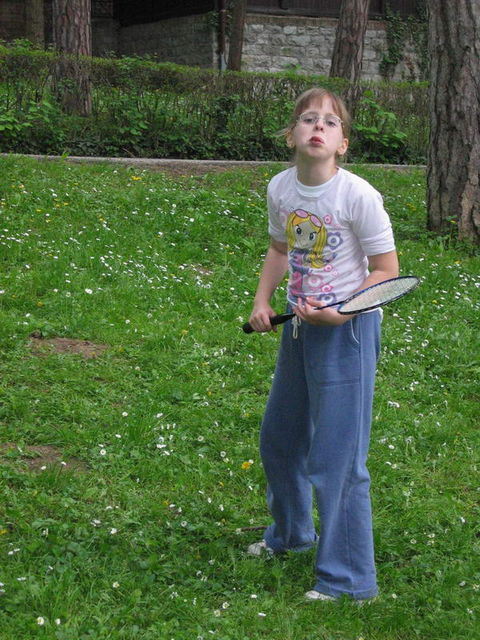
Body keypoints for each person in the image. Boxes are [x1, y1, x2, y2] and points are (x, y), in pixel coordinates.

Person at [247, 87, 399, 602]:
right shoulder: (281, 188)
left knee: (338, 459)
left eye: (330, 123)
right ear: (291, 135)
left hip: (348, 333)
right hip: (298, 328)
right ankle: (291, 535)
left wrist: (342, 312)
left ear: (343, 144)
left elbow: (387, 271)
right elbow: (279, 248)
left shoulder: (358, 196)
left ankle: (348, 580)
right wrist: (262, 301)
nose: (318, 127)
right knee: (281, 440)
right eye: (308, 119)